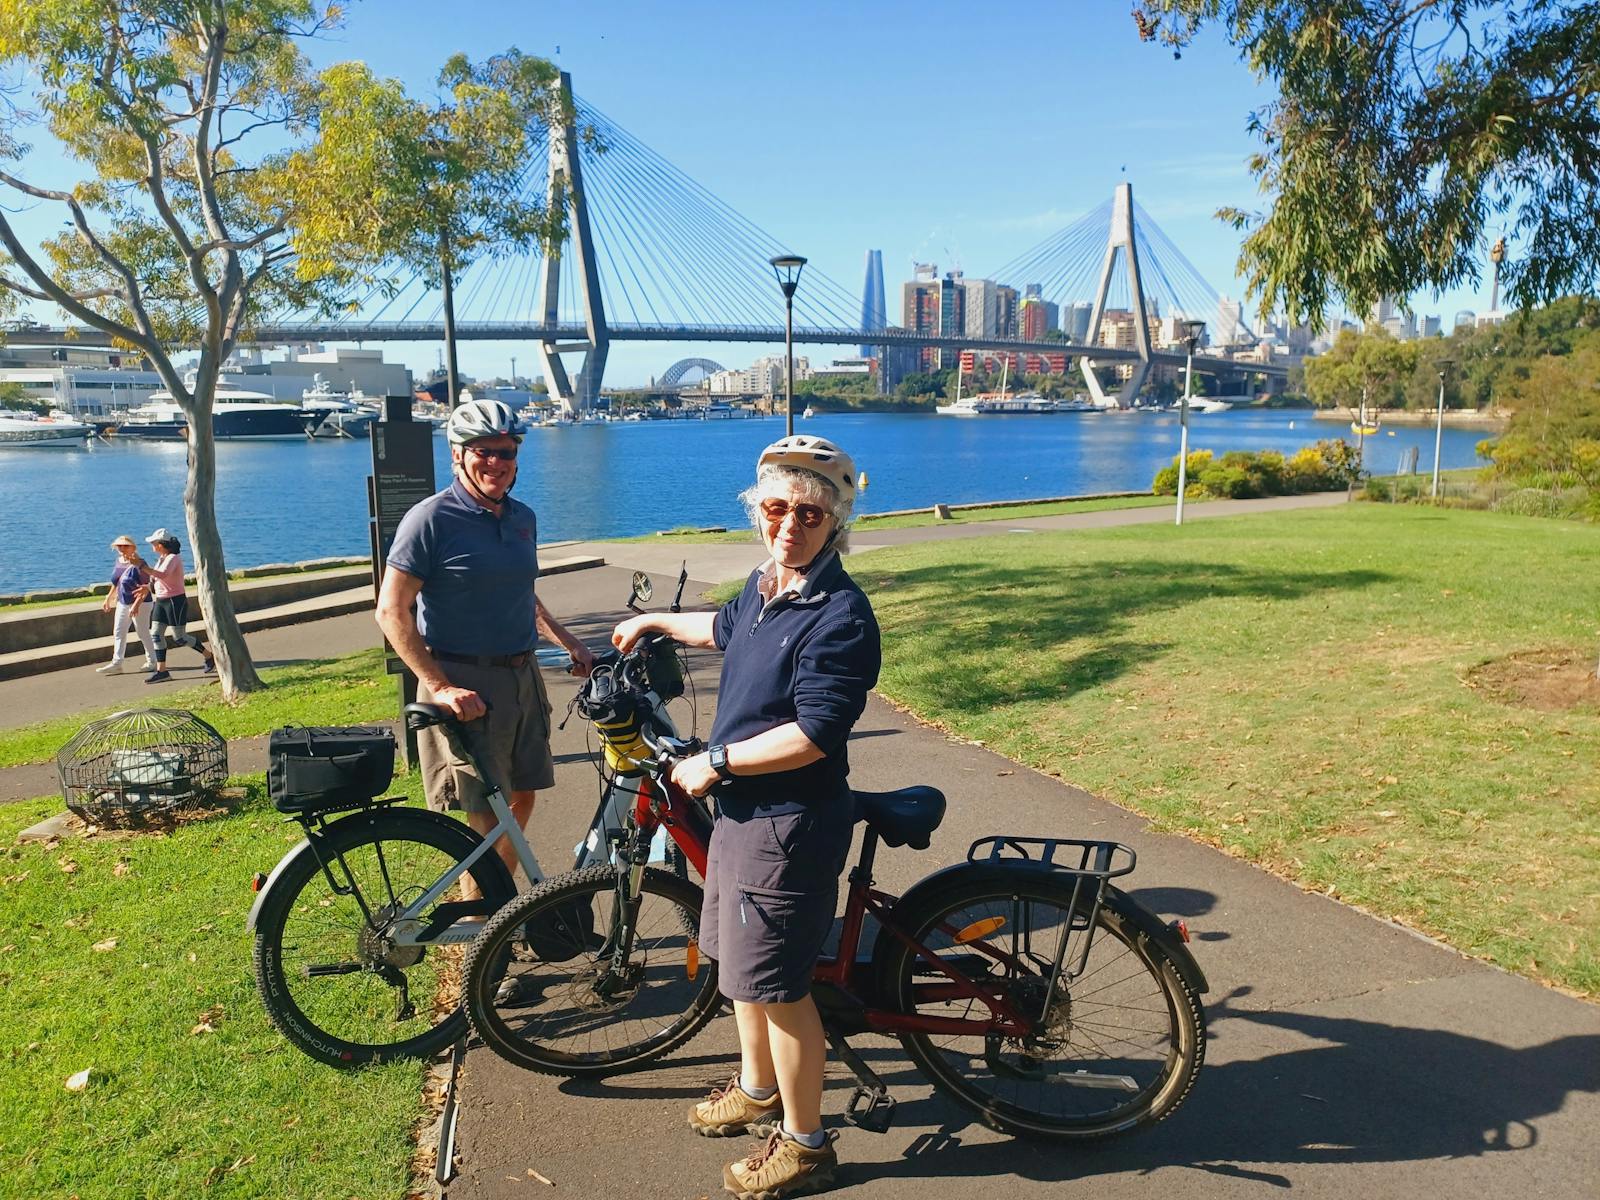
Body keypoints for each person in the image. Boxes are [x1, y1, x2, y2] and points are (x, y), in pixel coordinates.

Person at [612, 434, 880, 1200]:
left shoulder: (839, 613)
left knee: (781, 986)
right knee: (741, 970)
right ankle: (757, 1090)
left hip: (787, 823)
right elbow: (720, 630)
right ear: (757, 512)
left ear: (835, 522)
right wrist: (657, 622)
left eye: (809, 512)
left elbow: (815, 733)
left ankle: (805, 1143)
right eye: (775, 507)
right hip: (740, 815)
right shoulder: (769, 587)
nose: (789, 524)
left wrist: (719, 763)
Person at [375, 398, 596, 902]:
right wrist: (440, 687)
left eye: (505, 451)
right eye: (483, 451)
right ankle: (482, 934)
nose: (495, 461)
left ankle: (498, 911)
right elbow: (391, 611)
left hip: (521, 679)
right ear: (458, 454)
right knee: (485, 814)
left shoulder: (522, 518)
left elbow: (523, 593)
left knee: (521, 798)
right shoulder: (429, 519)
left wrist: (570, 642)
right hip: (463, 682)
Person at [142, 529, 214, 683]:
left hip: (175, 602)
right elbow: (157, 579)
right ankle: (162, 671)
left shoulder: (173, 558)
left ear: (161, 544)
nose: (152, 546)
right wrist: (147, 587)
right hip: (161, 601)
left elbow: (162, 575)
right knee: (155, 634)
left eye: (153, 543)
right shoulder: (161, 559)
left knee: (179, 637)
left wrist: (141, 566)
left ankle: (209, 656)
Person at [95, 535, 158, 675]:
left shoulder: (139, 563)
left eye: (125, 546)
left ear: (133, 547)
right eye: (119, 546)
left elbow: (145, 586)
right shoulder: (118, 561)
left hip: (141, 603)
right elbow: (116, 582)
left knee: (142, 632)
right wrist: (108, 598)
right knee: (118, 631)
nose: (122, 548)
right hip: (123, 602)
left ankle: (152, 661)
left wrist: (136, 605)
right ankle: (117, 663)